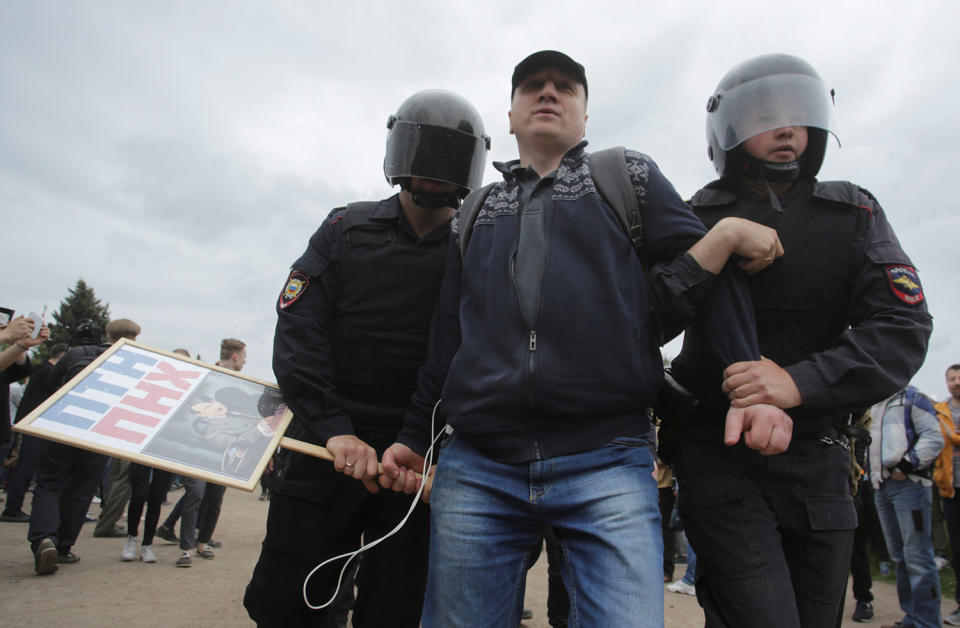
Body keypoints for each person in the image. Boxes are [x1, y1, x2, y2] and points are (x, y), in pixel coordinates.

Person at [378, 51, 791, 627]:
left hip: (607, 460)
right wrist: (413, 437)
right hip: (479, 467)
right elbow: (449, 341)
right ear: (512, 114)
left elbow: (709, 280)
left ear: (585, 116)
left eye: (565, 87)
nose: (548, 93)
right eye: (532, 87)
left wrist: (752, 386)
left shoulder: (627, 178)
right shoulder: (473, 212)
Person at [670, 53, 933, 627]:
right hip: (723, 455)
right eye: (766, 114)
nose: (787, 127)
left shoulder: (854, 213)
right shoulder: (697, 217)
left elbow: (903, 326)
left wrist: (797, 382)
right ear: (730, 128)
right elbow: (654, 309)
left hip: (820, 460)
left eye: (797, 114)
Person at [243, 88, 490, 627]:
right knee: (287, 602)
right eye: (424, 157)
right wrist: (333, 428)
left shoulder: (477, 247)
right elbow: (299, 330)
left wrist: (417, 441)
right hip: (324, 447)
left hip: (418, 462)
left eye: (447, 161)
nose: (432, 174)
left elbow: (474, 354)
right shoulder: (344, 229)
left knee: (399, 609)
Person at [28, 318, 140, 575]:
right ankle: (65, 546)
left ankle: (45, 538)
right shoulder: (134, 361)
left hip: (63, 424)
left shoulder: (77, 354)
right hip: (97, 433)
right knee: (82, 488)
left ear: (108, 333)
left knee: (50, 484)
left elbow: (52, 382)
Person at [159, 338, 246, 566]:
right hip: (197, 443)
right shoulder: (206, 377)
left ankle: (203, 542)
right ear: (236, 356)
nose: (245, 362)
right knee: (195, 494)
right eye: (244, 357)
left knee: (215, 498)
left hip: (221, 447)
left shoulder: (242, 383)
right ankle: (186, 548)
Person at [869, 386, 944, 628]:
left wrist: (906, 465)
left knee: (918, 557)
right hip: (881, 486)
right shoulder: (875, 402)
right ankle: (912, 617)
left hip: (909, 486)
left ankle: (927, 622)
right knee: (900, 556)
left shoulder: (913, 398)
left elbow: (934, 437)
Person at [1, 342, 68, 522]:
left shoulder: (41, 369)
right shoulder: (49, 372)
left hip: (32, 422)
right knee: (26, 467)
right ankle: (13, 508)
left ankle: (14, 506)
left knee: (25, 466)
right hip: (37, 424)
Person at [935, 364, 960, 625]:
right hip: (951, 487)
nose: (956, 382)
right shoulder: (940, 411)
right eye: (952, 378)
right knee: (958, 546)